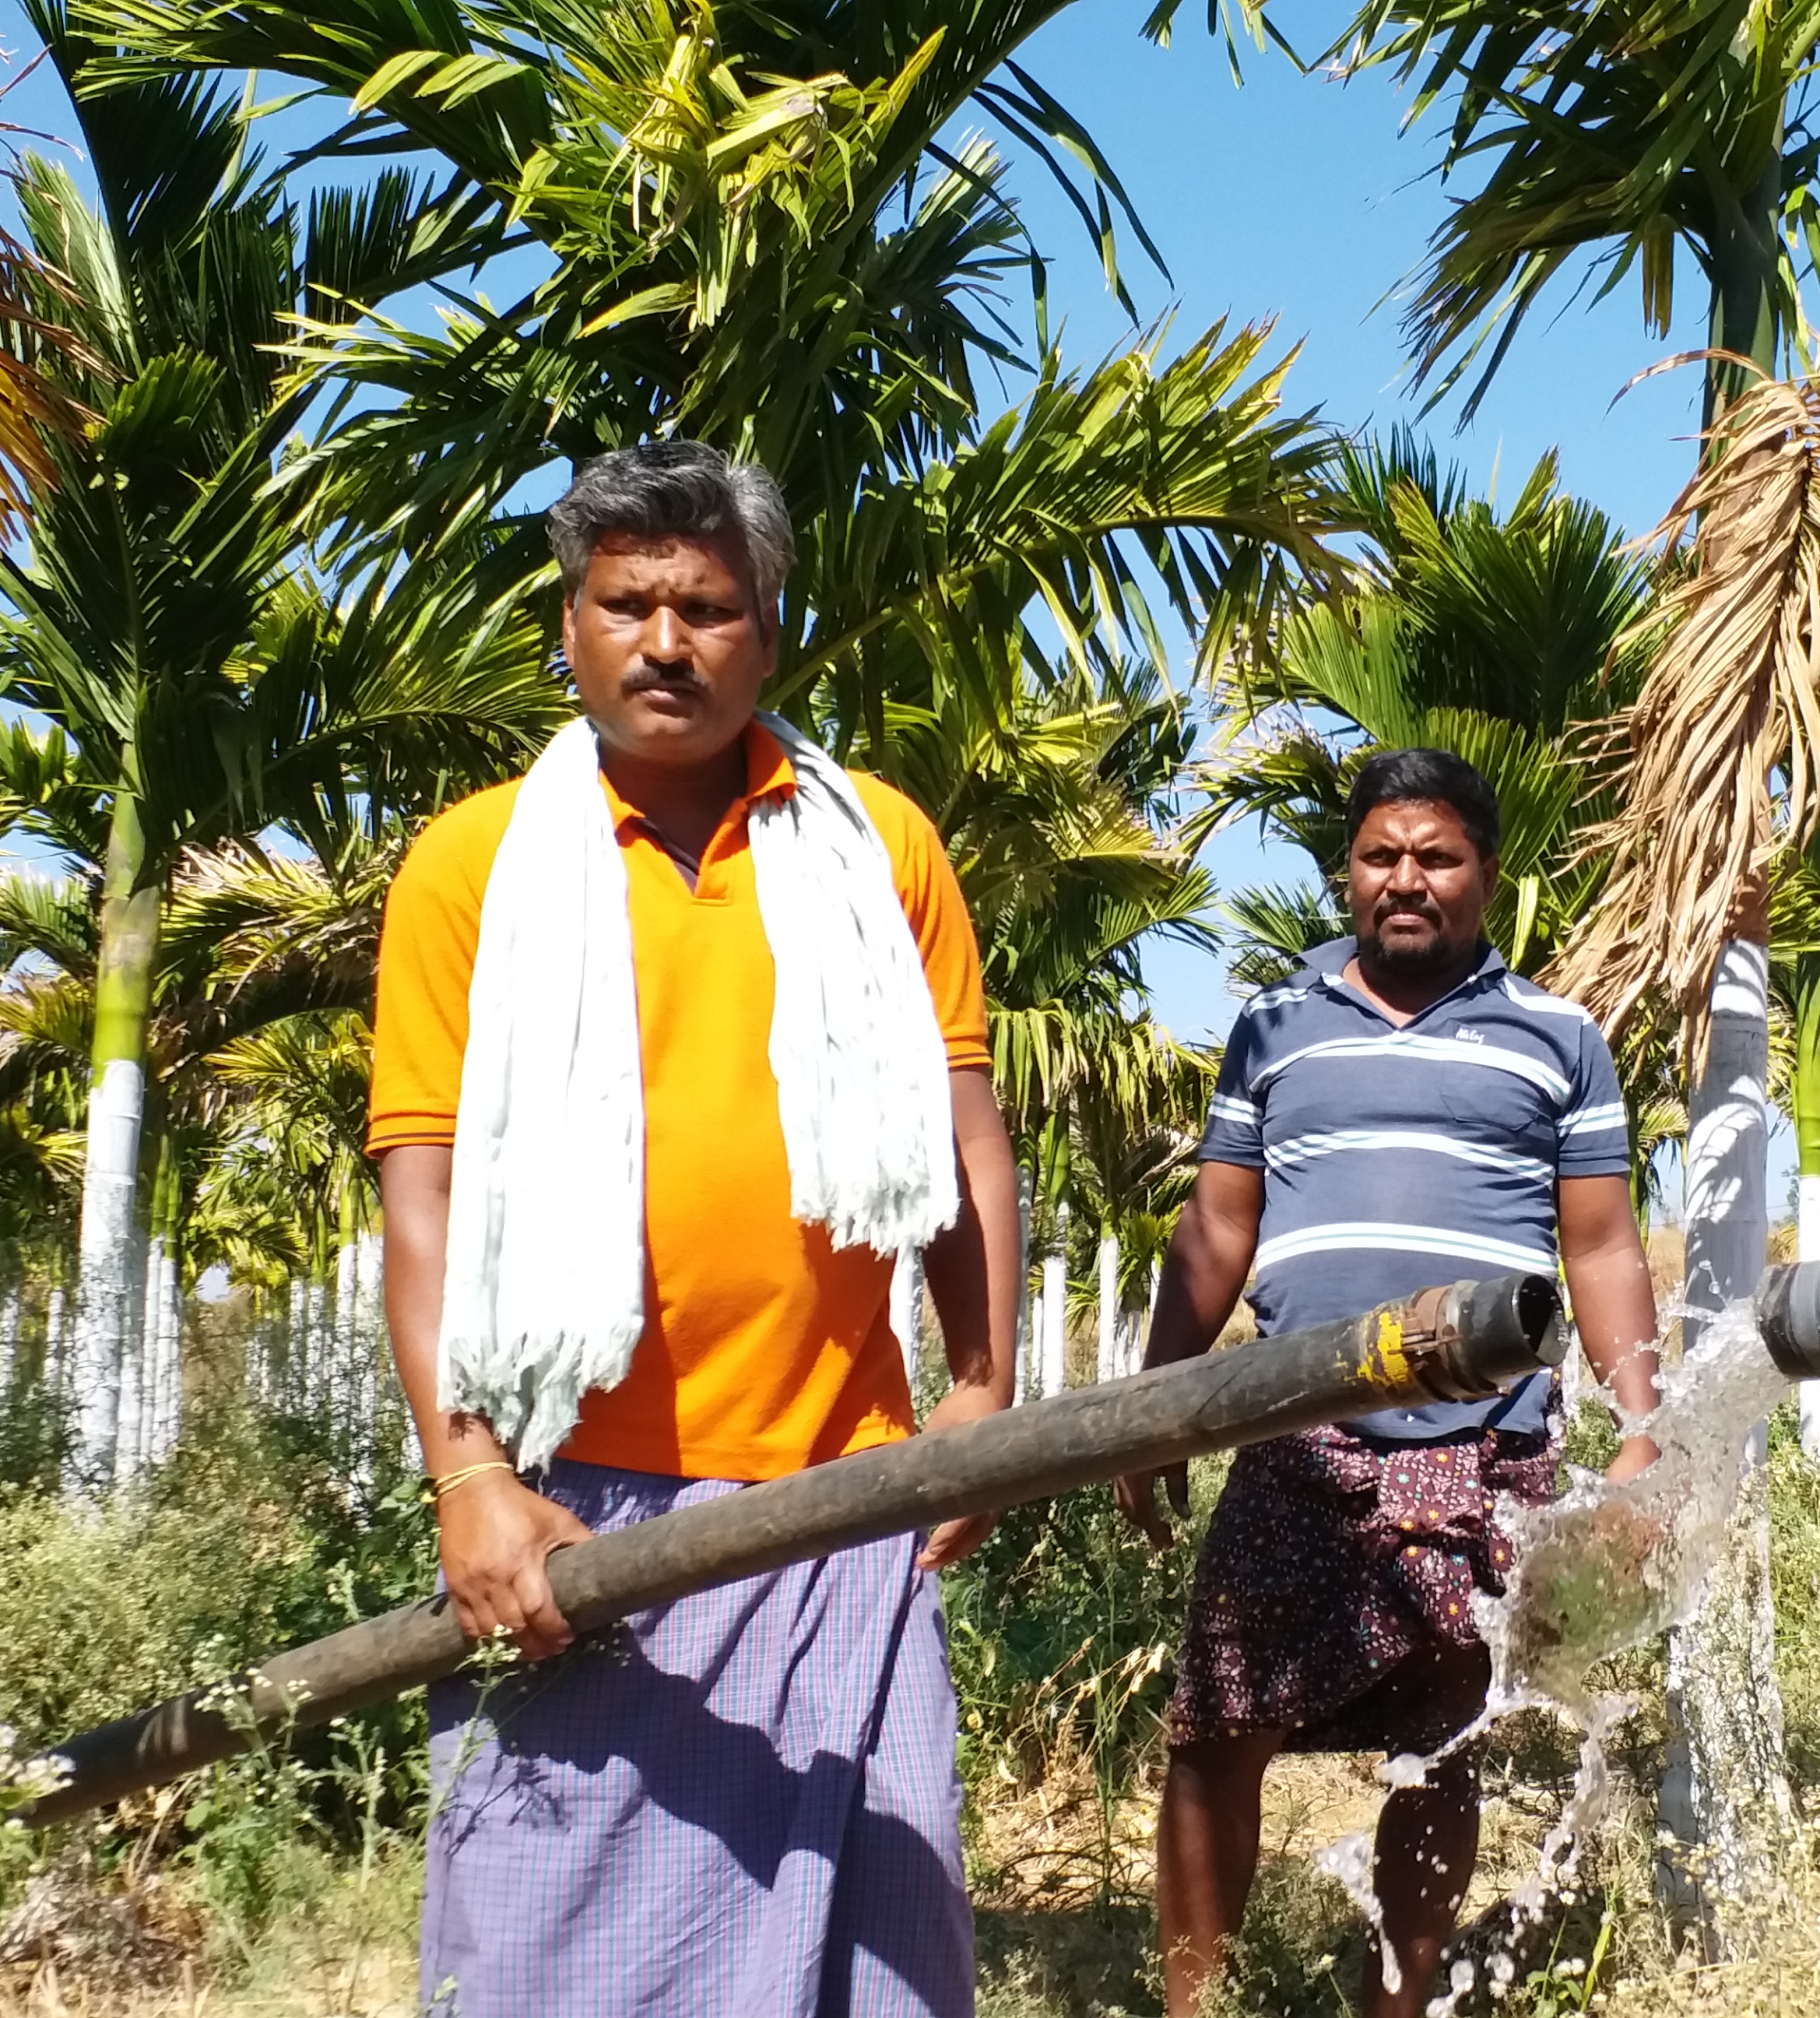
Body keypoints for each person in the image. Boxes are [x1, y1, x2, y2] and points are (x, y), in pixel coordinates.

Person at [365, 441, 1021, 2018]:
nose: (667, 642)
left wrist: (986, 1392)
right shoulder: (475, 866)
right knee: (555, 1964)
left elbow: (967, 1142)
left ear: (769, 636)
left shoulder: (880, 850)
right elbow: (423, 1197)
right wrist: (469, 1475)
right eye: (629, 604)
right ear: (572, 627)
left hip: (839, 1505)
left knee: (873, 1965)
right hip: (570, 1518)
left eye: (709, 608)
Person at [1119, 749, 1667, 2018]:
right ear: (1347, 871)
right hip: (1298, 1442)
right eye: (1381, 855)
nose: (1405, 879)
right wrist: (1151, 1413)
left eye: (1437, 856)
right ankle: (1190, 2002)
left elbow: (1600, 1245)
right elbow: (1214, 1230)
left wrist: (1640, 1434)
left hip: (1484, 1447)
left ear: (1484, 872)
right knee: (1215, 1733)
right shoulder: (1272, 1028)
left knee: (1442, 1748)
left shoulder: (1558, 1040)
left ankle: (1399, 2000)